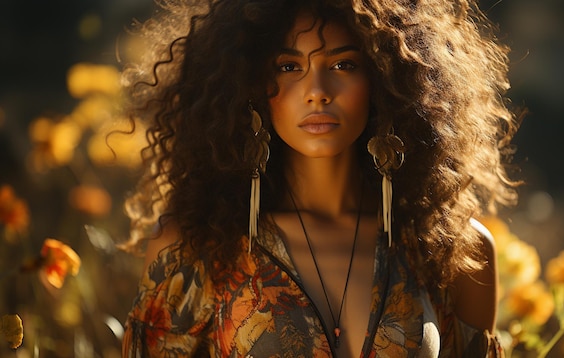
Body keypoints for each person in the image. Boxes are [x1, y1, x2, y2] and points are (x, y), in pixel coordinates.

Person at [120, 0, 520, 356]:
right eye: (289, 66)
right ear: (253, 88)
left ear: (384, 81)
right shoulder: (194, 249)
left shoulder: (453, 254)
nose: (317, 91)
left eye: (343, 64)